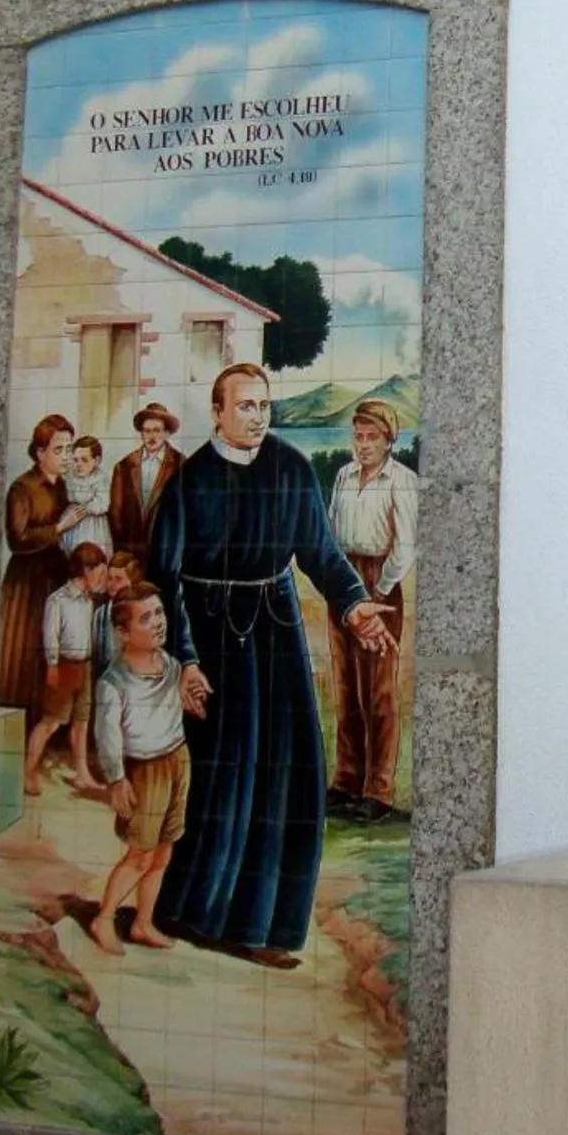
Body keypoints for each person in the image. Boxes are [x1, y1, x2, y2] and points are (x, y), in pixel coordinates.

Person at [147, 363, 395, 967]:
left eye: (264, 405)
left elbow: (320, 551)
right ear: (218, 412)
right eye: (246, 406)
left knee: (292, 771)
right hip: (210, 637)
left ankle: (266, 926)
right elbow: (162, 579)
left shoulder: (289, 468)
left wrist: (355, 606)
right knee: (222, 777)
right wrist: (183, 659)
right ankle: (193, 912)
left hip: (275, 628)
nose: (258, 416)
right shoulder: (189, 482)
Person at [325, 398, 419, 824]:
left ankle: (378, 789)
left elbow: (404, 547)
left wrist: (378, 593)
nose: (363, 445)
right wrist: (338, 584)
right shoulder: (344, 476)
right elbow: (330, 528)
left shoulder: (401, 480)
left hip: (379, 583)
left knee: (378, 689)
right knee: (345, 684)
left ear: (388, 441)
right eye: (358, 436)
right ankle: (346, 780)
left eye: (372, 438)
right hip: (344, 579)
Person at [89, 584, 195, 955]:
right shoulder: (113, 682)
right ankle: (103, 918)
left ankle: (142, 922)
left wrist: (189, 702)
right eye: (146, 618)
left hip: (176, 760)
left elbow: (176, 705)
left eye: (160, 613)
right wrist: (117, 779)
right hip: (143, 770)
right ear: (122, 632)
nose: (158, 624)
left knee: (164, 852)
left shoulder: (171, 665)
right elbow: (107, 736)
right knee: (139, 854)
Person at [0, 414, 87, 720]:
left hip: (55, 574)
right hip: (28, 582)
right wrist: (59, 527)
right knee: (29, 656)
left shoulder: (62, 486)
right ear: (40, 452)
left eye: (68, 449)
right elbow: (18, 538)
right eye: (59, 450)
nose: (65, 456)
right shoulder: (22, 488)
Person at [26, 542, 111, 795]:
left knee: (81, 724)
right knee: (50, 722)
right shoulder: (58, 600)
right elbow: (50, 636)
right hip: (64, 666)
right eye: (99, 571)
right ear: (85, 569)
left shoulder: (88, 602)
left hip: (84, 667)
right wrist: (52, 665)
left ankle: (83, 775)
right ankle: (28, 770)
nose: (101, 577)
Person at [108, 402, 182, 557]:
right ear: (141, 433)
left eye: (157, 430)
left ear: (167, 433)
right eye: (147, 431)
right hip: (131, 555)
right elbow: (115, 516)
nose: (152, 437)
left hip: (166, 554)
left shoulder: (181, 465)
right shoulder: (124, 467)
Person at [60, 435, 110, 555]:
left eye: (84, 460)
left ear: (96, 460)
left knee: (90, 552)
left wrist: (87, 508)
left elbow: (103, 503)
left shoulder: (100, 478)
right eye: (76, 460)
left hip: (92, 523)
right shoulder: (69, 476)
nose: (79, 464)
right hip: (71, 520)